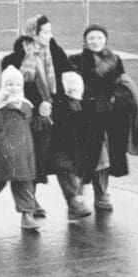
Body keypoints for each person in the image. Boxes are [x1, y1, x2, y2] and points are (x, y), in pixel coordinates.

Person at [67, 25, 138, 213]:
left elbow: (121, 82)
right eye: (91, 38)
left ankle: (100, 194)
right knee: (91, 156)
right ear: (85, 41)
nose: (95, 41)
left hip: (111, 115)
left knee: (105, 156)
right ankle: (82, 194)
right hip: (86, 116)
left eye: (99, 38)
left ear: (105, 40)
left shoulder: (114, 59)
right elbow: (74, 85)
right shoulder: (76, 60)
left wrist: (115, 98)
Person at [0, 14, 75, 217]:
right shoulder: (17, 57)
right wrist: (38, 103)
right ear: (34, 33)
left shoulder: (55, 51)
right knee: (32, 161)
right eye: (46, 32)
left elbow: (69, 70)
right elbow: (13, 86)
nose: (50, 35)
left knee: (62, 159)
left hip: (56, 116)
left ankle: (73, 202)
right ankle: (29, 205)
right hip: (31, 119)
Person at [0, 66, 43, 230]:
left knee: (24, 184)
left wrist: (45, 118)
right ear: (3, 85)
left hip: (23, 154)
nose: (13, 88)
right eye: (10, 85)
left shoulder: (26, 106)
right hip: (1, 153)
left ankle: (27, 215)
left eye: (17, 85)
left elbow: (35, 125)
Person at [47, 71, 95, 218]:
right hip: (62, 145)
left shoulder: (82, 104)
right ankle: (75, 203)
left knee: (74, 173)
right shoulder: (61, 104)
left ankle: (74, 207)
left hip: (75, 145)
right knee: (65, 170)